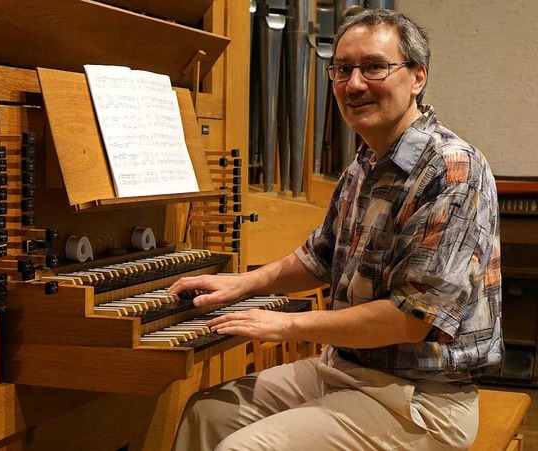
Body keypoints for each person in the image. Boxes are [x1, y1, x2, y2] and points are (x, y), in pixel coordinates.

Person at [169, 8, 502, 451]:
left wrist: (289, 325)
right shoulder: (364, 163)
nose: (355, 83)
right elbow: (318, 258)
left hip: (422, 400)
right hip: (345, 371)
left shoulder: (452, 170)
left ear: (417, 77)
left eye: (374, 66)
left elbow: (410, 320)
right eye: (342, 69)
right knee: (207, 414)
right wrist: (238, 285)